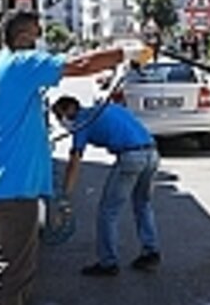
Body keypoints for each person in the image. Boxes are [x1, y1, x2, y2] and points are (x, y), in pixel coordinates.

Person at [0, 10, 150, 305]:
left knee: (22, 271)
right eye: (36, 36)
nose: (40, 44)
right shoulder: (20, 64)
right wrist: (126, 53)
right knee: (13, 273)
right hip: (12, 190)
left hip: (5, 186)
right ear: (24, 37)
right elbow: (80, 65)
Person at [51, 94, 162, 277]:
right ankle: (151, 252)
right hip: (152, 153)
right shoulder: (105, 108)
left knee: (108, 211)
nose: (60, 122)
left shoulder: (82, 123)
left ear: (68, 111)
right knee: (143, 205)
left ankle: (108, 262)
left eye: (58, 116)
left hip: (130, 158)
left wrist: (65, 196)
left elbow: (74, 163)